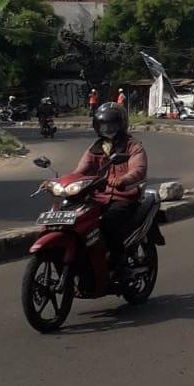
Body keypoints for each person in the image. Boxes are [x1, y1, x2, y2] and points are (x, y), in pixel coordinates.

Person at [67, 102, 147, 274]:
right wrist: (63, 182)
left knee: (108, 223)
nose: (107, 129)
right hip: (97, 196)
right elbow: (81, 170)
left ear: (121, 125)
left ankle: (119, 263)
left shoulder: (132, 145)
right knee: (75, 218)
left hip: (123, 196)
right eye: (103, 125)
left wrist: (123, 180)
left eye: (112, 125)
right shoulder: (95, 148)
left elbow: (138, 169)